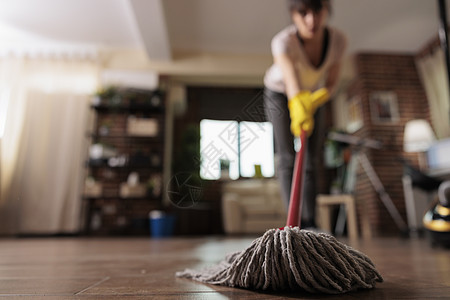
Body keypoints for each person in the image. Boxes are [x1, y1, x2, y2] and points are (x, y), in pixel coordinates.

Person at [263, 0, 347, 228]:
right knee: (287, 156)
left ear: (326, 10)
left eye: (317, 10)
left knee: (311, 157)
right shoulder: (282, 42)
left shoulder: (338, 40)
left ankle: (309, 222)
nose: (311, 19)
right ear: (293, 14)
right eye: (303, 12)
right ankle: (292, 225)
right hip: (280, 93)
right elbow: (291, 82)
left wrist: (317, 99)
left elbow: (331, 83)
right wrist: (299, 105)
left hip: (313, 95)